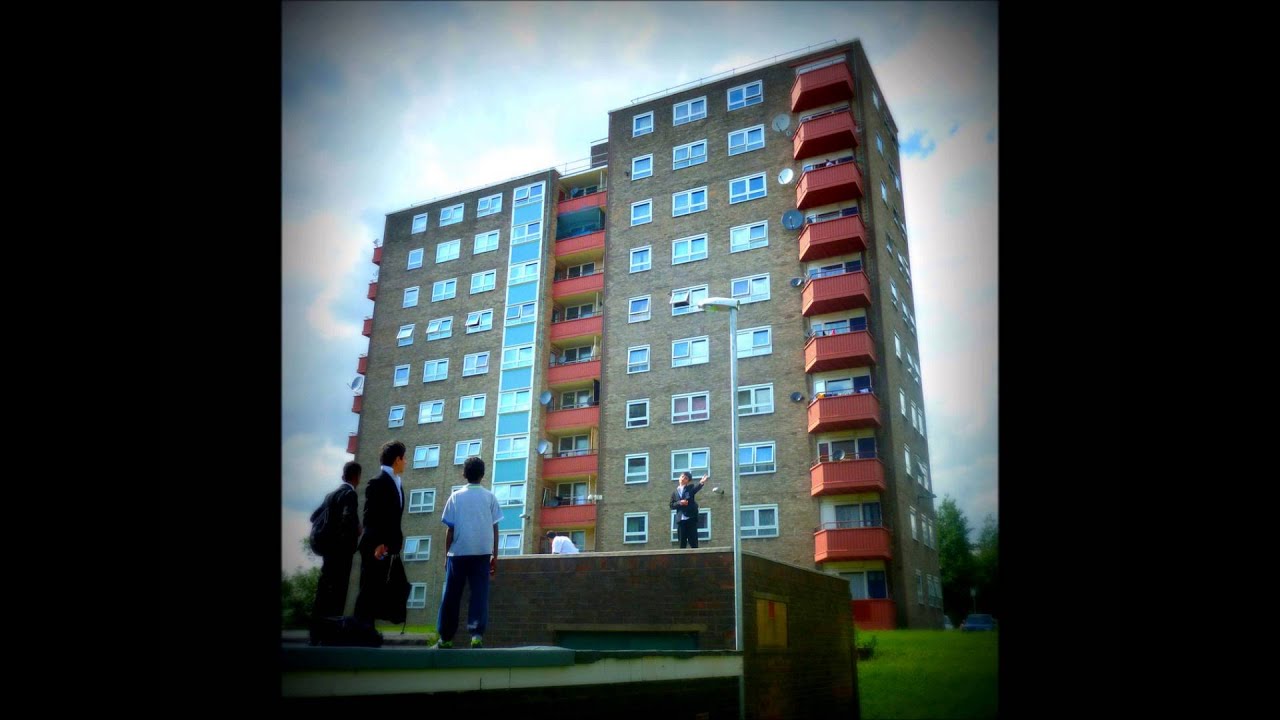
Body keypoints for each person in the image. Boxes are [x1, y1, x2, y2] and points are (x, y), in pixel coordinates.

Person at [436, 456, 503, 649]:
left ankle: (446, 637)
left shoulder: (455, 497)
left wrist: (446, 556)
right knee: (479, 594)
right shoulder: (490, 497)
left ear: (464, 474)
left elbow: (450, 530)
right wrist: (495, 555)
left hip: (458, 554)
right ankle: (476, 635)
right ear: (483, 475)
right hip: (482, 553)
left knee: (451, 595)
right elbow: (495, 528)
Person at [353, 440, 406, 624]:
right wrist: (378, 544)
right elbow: (370, 516)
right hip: (376, 547)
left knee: (377, 590)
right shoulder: (377, 482)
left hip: (387, 547)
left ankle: (367, 630)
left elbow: (393, 517)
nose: (406, 462)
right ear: (397, 460)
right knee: (368, 590)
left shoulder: (397, 482)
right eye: (404, 458)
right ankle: (360, 630)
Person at [311, 461, 362, 632]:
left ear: (343, 476)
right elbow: (348, 518)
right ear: (357, 477)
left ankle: (316, 631)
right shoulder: (350, 494)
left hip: (328, 549)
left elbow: (314, 517)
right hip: (341, 551)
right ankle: (331, 631)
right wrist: (356, 529)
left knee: (324, 589)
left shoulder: (330, 495)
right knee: (338, 590)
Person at [669, 471, 708, 548]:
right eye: (682, 476)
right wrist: (680, 502)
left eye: (686, 478)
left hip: (691, 519)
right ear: (679, 478)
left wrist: (701, 483)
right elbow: (671, 505)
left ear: (688, 481)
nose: (683, 479)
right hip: (681, 520)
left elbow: (695, 489)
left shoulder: (690, 488)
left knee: (693, 542)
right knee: (681, 543)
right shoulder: (674, 492)